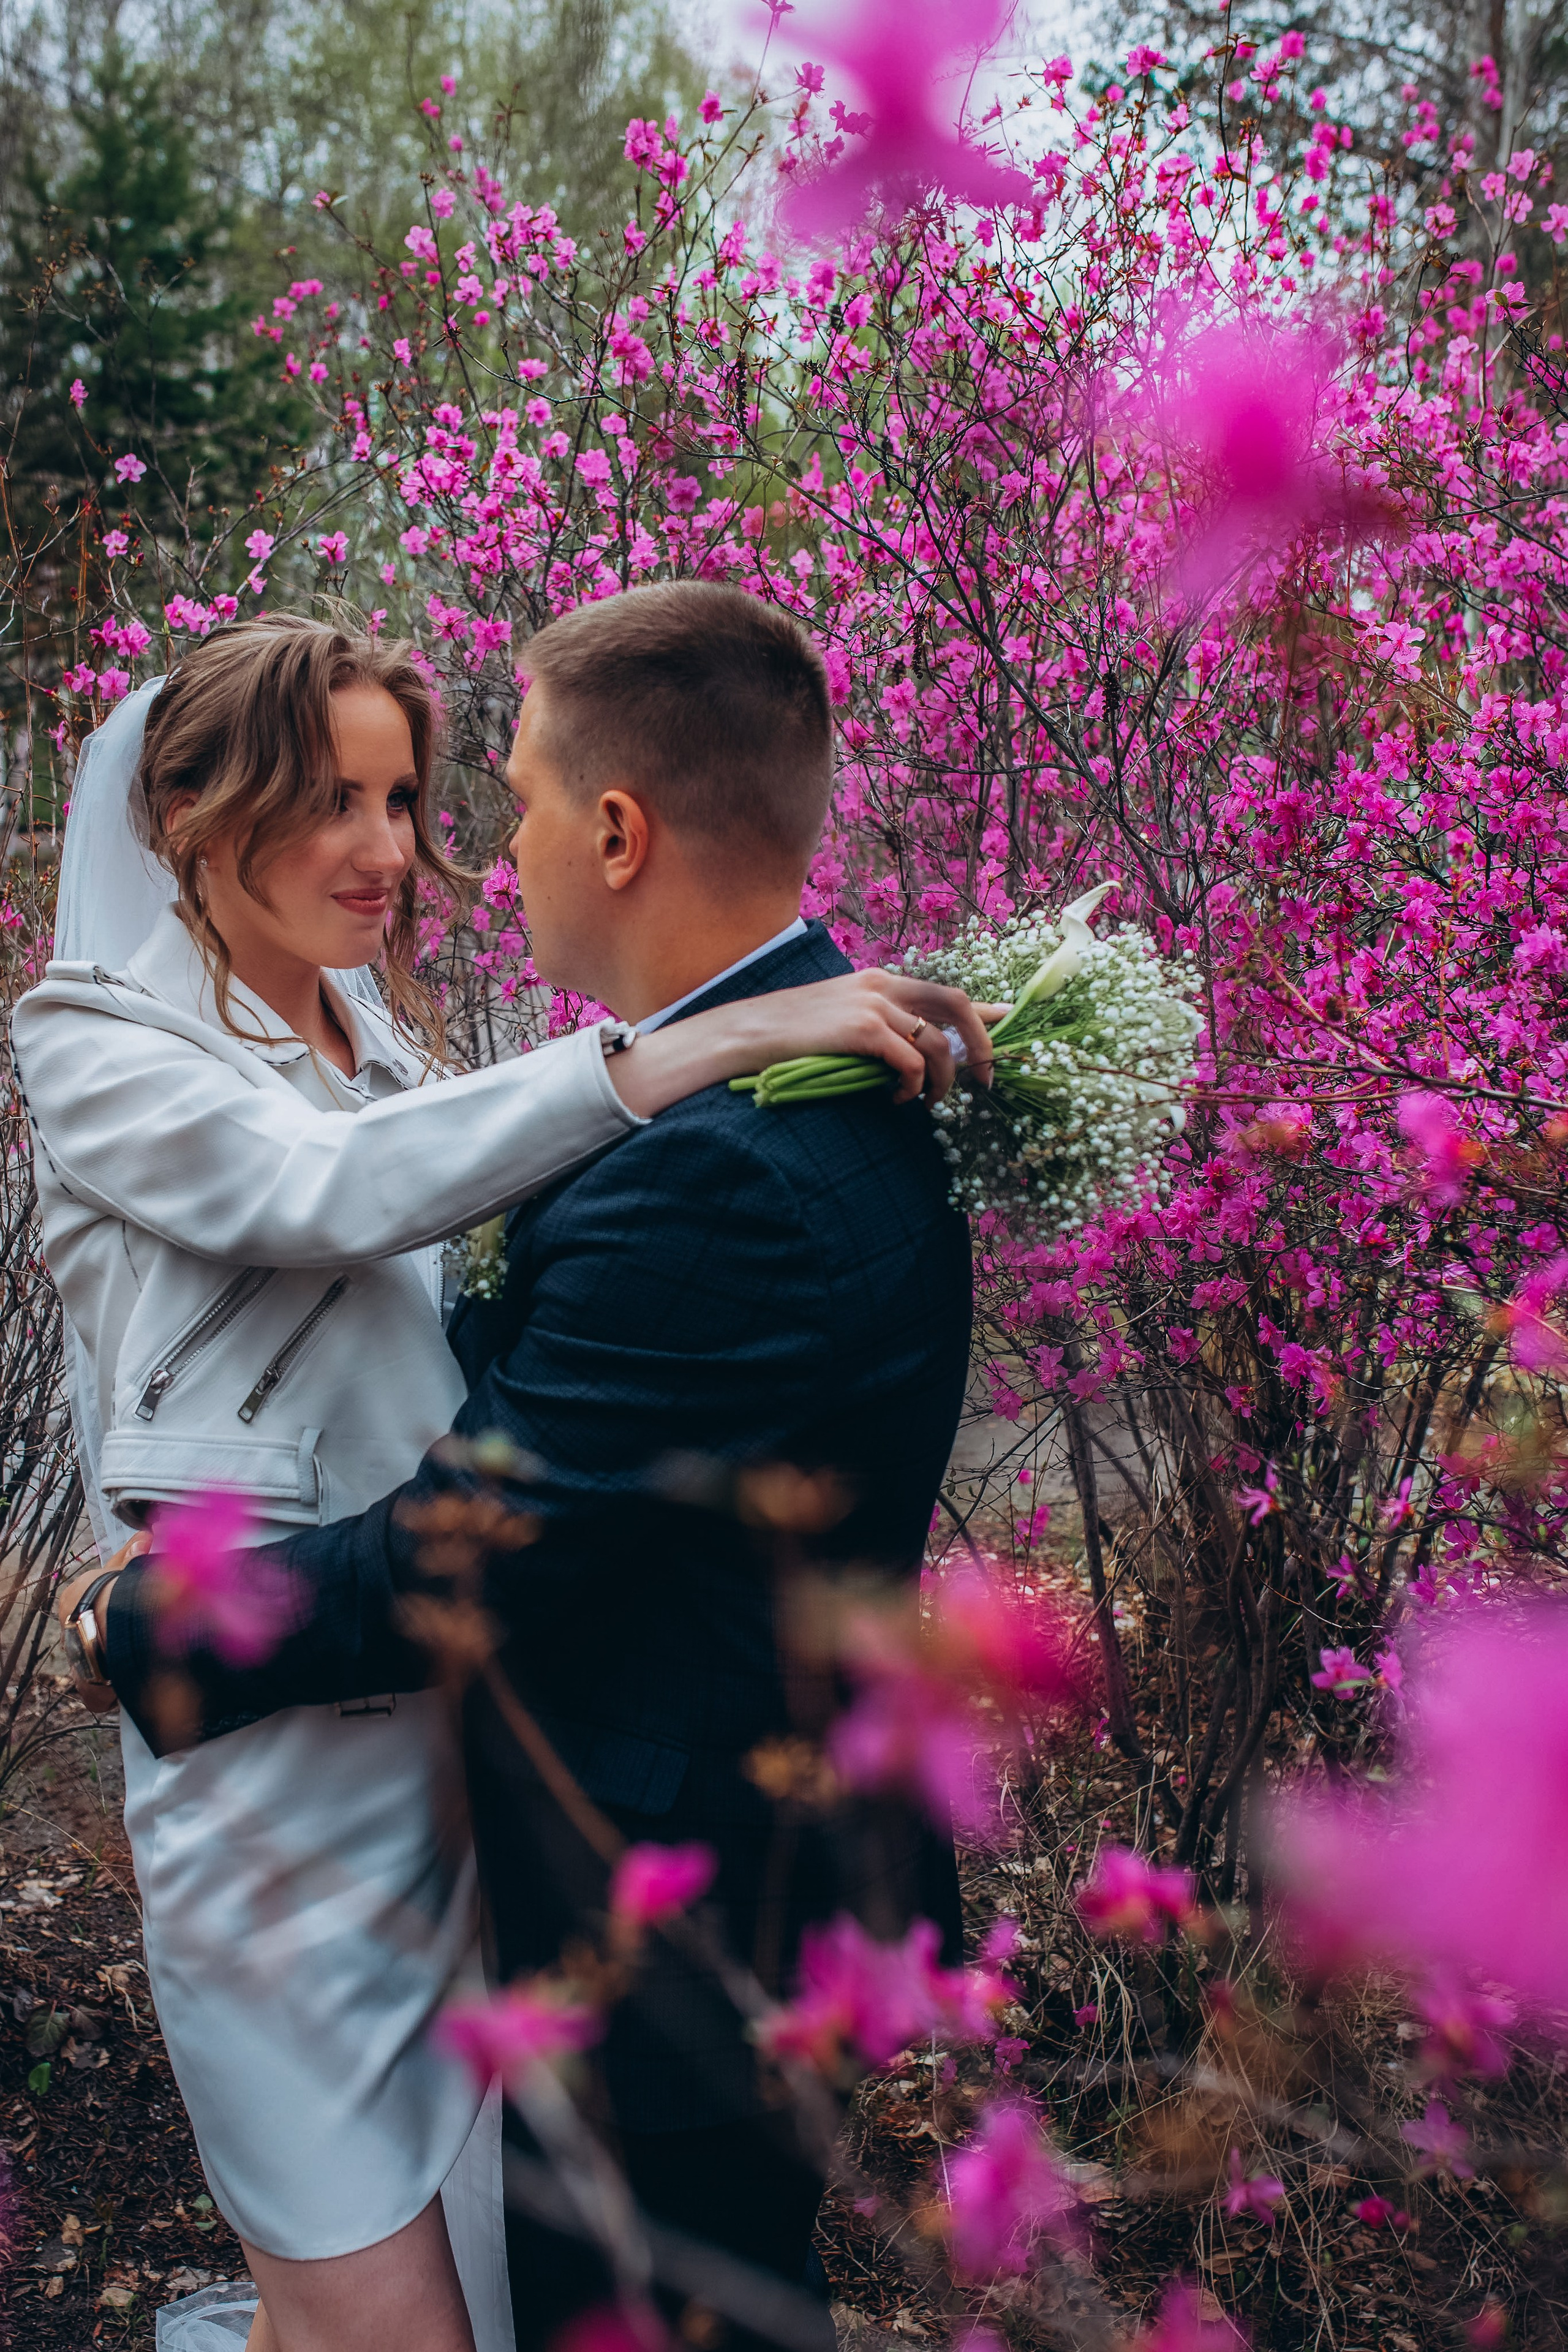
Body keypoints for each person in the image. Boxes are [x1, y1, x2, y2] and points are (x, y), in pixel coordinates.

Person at [18, 608, 989, 2352]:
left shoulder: (389, 1047)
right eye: (334, 801)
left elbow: (501, 1391)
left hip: (448, 1748)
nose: (396, 851)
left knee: (438, 2282)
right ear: (193, 815)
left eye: (411, 799)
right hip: (285, 1754)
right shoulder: (92, 1039)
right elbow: (327, 1194)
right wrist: (681, 1047)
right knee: (386, 2295)